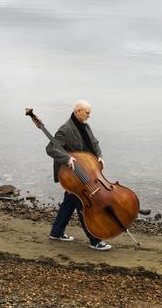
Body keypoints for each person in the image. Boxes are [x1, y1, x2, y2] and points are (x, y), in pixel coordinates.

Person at [46, 100, 112, 251]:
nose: (89, 116)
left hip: (85, 172)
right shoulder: (65, 129)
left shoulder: (85, 126)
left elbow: (94, 143)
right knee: (82, 205)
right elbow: (50, 149)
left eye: (90, 113)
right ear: (77, 111)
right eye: (87, 113)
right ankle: (95, 240)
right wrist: (67, 158)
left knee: (69, 203)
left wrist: (99, 156)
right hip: (72, 175)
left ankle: (56, 233)